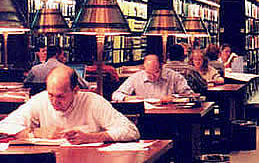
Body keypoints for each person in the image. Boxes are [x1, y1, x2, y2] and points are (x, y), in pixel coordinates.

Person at [0, 65, 140, 144]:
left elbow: (131, 131)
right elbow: (4, 126)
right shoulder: (41, 100)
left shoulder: (93, 102)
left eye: (60, 96)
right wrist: (35, 132)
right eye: (51, 94)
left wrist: (93, 137)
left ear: (75, 90)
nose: (54, 101)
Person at [112, 54, 194, 102]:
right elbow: (116, 95)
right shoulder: (137, 77)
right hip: (146, 116)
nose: (152, 77)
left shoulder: (174, 76)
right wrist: (126, 97)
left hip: (170, 116)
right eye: (148, 73)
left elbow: (189, 94)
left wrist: (174, 98)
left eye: (156, 73)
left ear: (161, 67)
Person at [24, 45, 89, 89]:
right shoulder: (68, 70)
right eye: (63, 55)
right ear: (57, 55)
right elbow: (85, 86)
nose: (64, 58)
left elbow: (26, 84)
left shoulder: (35, 69)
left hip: (40, 104)